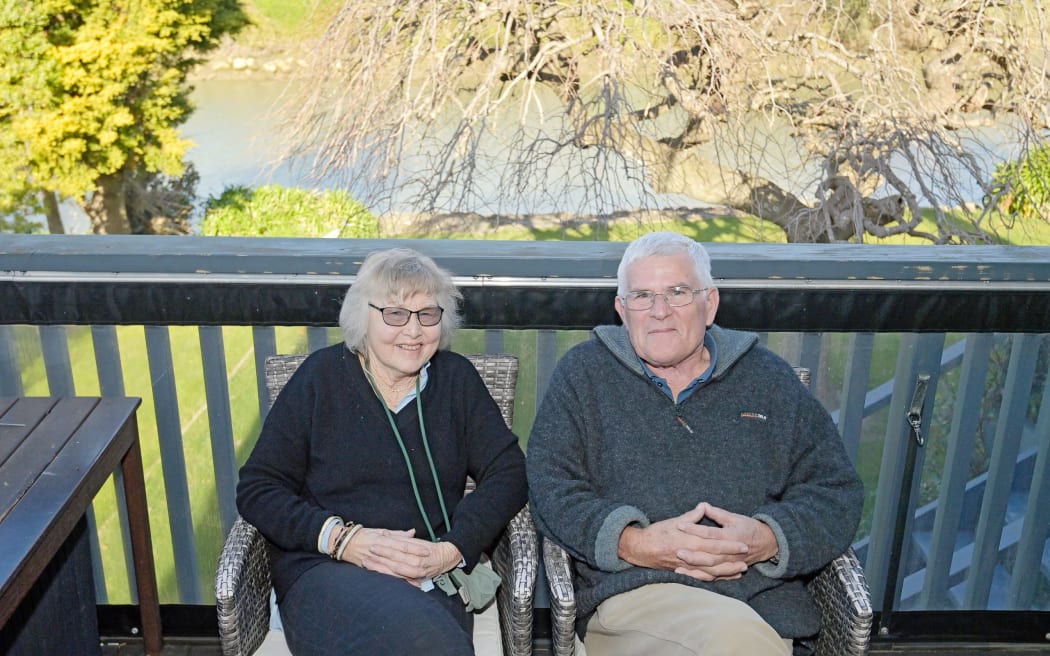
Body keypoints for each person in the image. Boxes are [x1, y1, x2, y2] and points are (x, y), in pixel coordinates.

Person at [526, 232, 864, 656]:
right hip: (636, 597)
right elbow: (550, 486)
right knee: (732, 640)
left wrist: (767, 538)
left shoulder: (768, 379)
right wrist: (633, 542)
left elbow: (835, 490)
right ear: (622, 310)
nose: (659, 311)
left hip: (762, 604)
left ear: (711, 303)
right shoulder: (584, 375)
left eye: (677, 292)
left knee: (739, 636)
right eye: (642, 295)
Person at [237, 247, 528, 655]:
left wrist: (450, 550)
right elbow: (258, 488)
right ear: (362, 317)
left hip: (428, 572)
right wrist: (343, 540)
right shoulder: (320, 379)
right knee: (432, 644)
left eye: (427, 314)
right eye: (394, 313)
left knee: (434, 642)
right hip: (330, 571)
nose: (413, 331)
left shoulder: (457, 381)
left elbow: (509, 473)